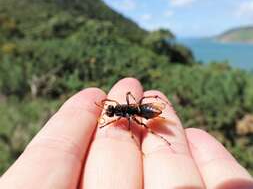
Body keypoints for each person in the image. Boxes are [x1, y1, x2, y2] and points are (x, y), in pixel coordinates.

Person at [0, 78, 252, 189]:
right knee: (136, 120)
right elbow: (113, 113)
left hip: (143, 111)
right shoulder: (119, 112)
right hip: (141, 111)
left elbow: (119, 116)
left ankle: (161, 132)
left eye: (110, 112)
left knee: (138, 122)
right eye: (110, 112)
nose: (109, 114)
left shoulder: (123, 114)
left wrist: (116, 122)